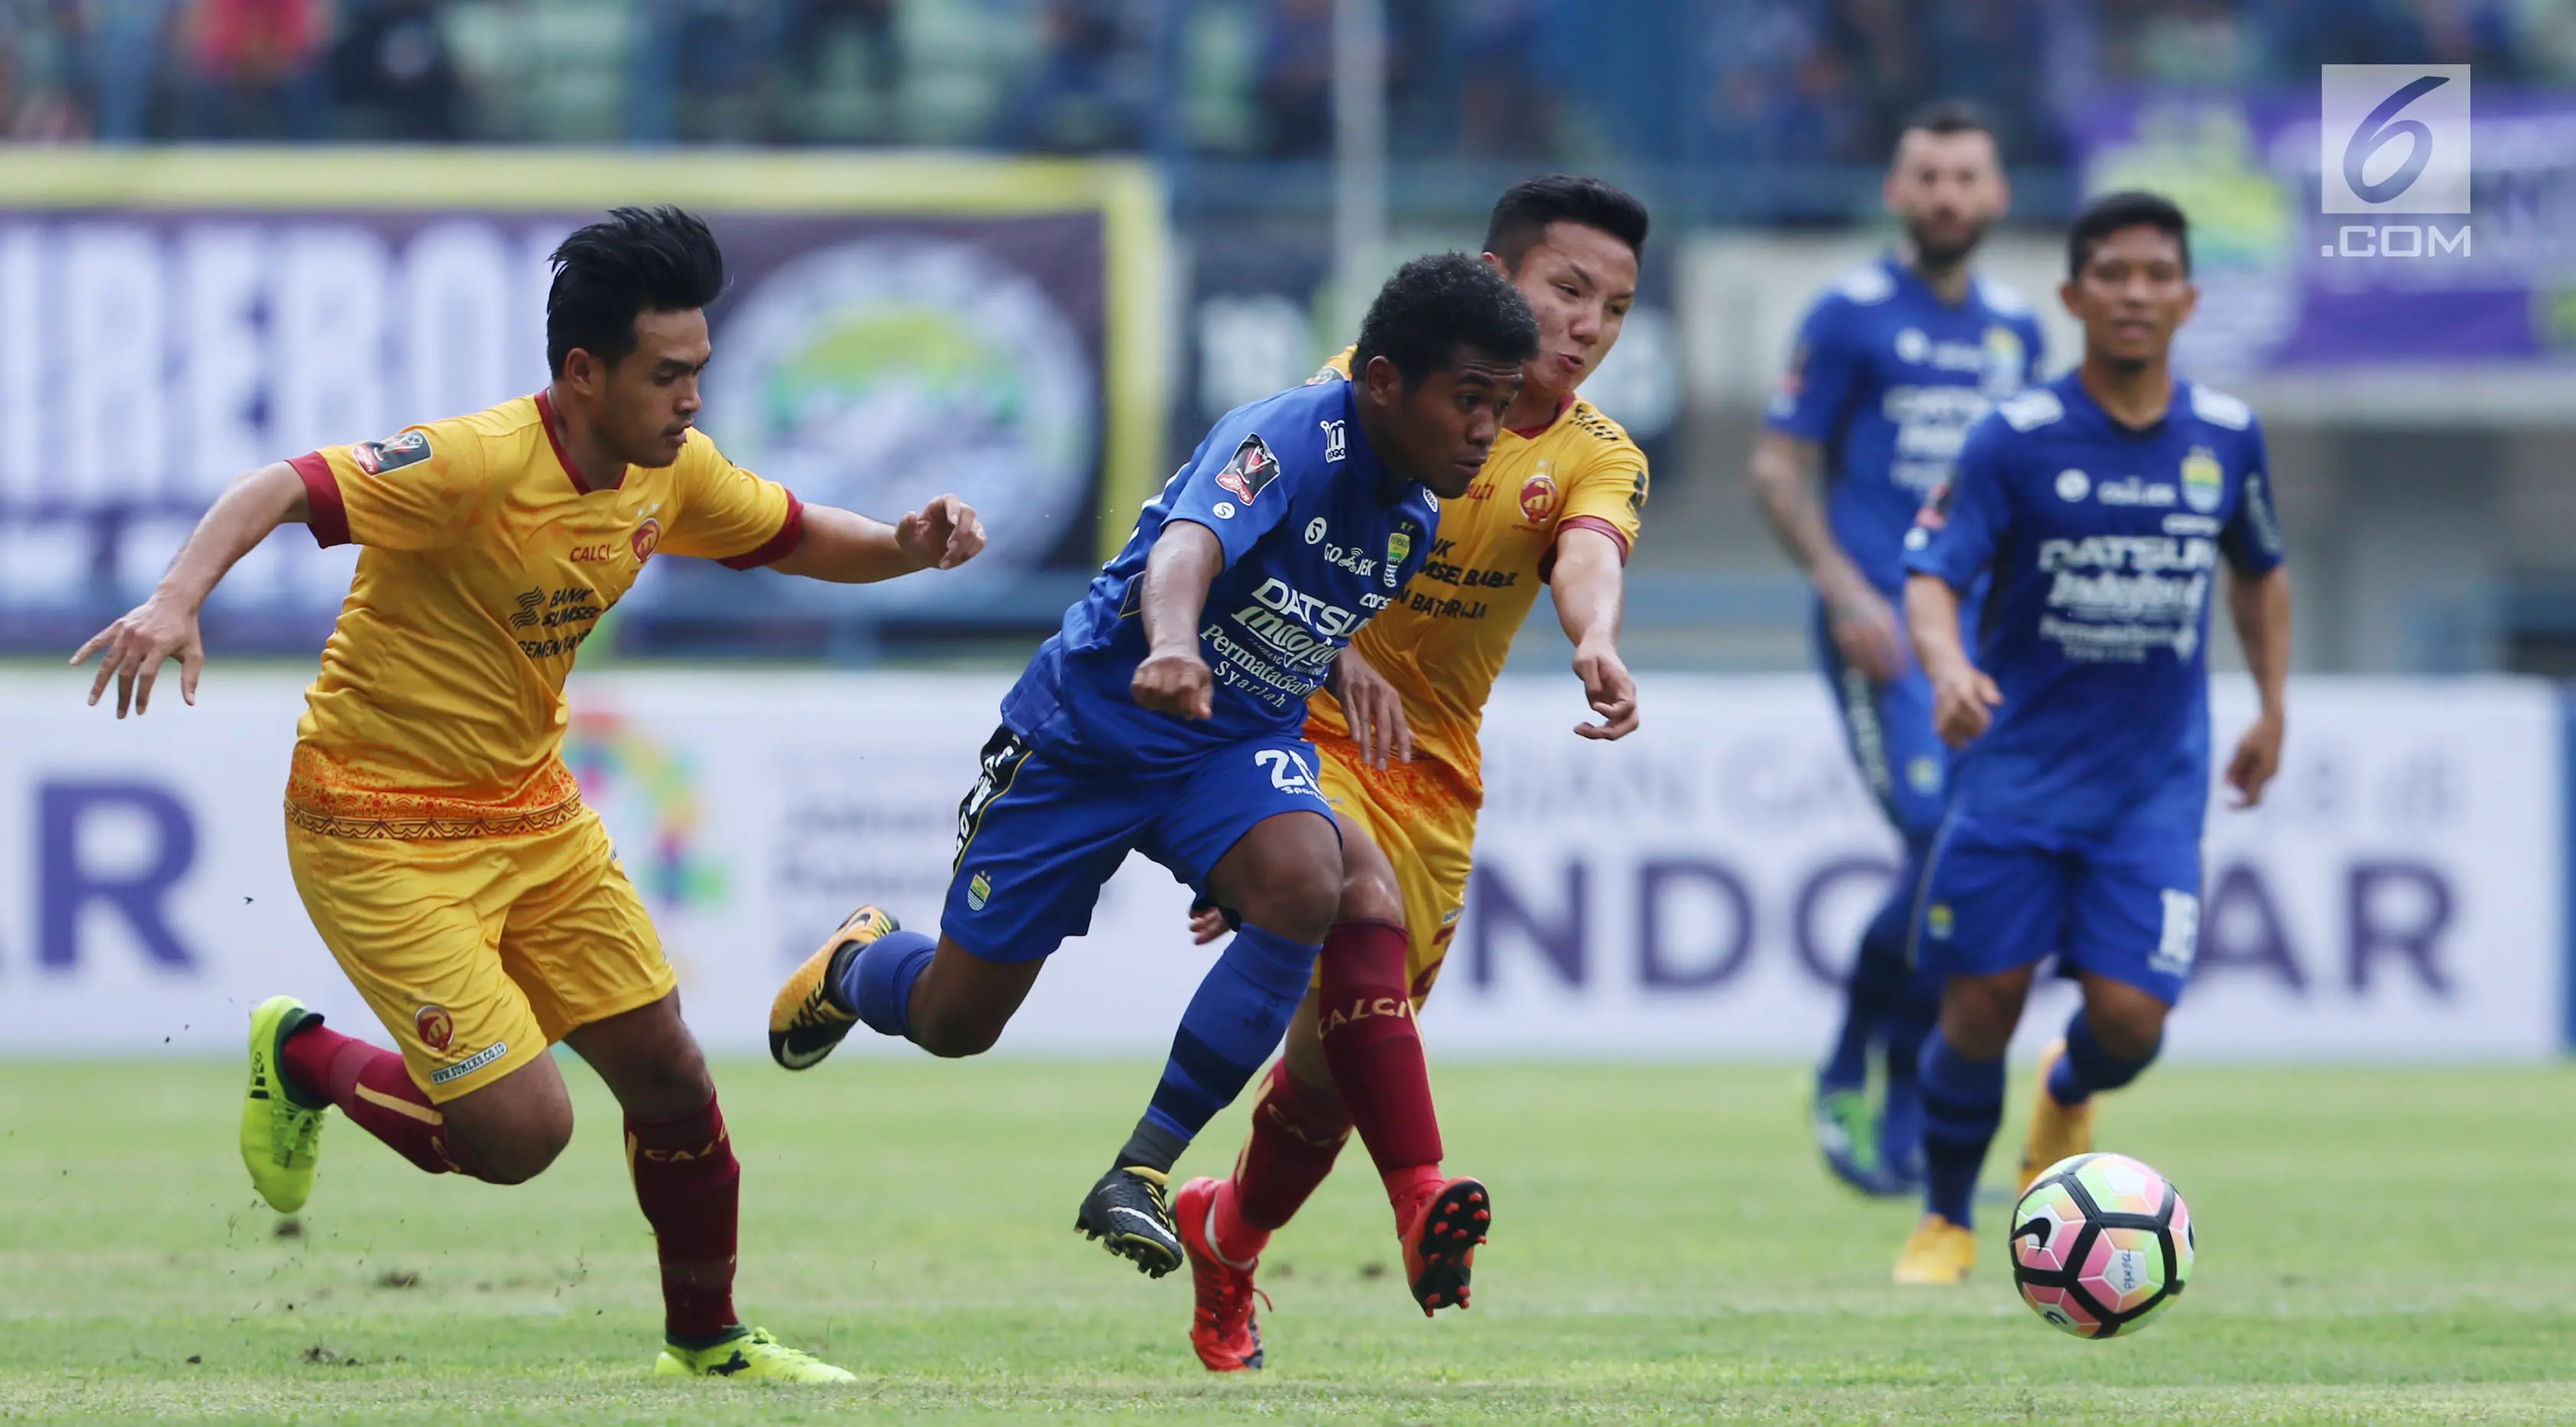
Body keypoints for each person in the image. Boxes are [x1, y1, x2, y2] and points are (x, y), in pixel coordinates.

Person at [73, 206, 986, 1381]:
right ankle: (301, 1057)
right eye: (668, 376)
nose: (693, 399)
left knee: (669, 1070)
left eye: (701, 372)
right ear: (581, 372)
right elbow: (279, 488)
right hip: (374, 823)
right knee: (519, 1137)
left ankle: (708, 1343)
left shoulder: (670, 474)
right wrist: (176, 600)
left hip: (530, 811)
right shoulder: (471, 464)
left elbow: (805, 536)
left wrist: (910, 546)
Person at [762, 253, 1541, 1278]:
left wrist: (1338, 672)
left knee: (1320, 881)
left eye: (1501, 406)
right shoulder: (1289, 437)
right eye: (1470, 400)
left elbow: (1292, 594)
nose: (1487, 430)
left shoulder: (1412, 516)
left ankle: (1143, 1171)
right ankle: (857, 962)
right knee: (957, 1022)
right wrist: (1171, 644)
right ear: (1387, 380)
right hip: (1087, 736)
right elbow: (1188, 550)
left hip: (1225, 743)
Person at [1161, 175, 1652, 1371]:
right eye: (1568, 291)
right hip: (1295, 721)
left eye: (1617, 308)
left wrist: (1594, 634)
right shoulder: (1363, 390)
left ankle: (1224, 1241)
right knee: (1345, 896)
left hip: (1434, 774)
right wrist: (1326, 652)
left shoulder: (1598, 453)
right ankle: (1422, 1190)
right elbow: (1241, 532)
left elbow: (1587, 550)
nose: (1588, 326)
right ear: (1497, 282)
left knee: (1330, 1078)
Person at [1890, 190, 2290, 1284]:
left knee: (2133, 1020)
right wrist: (1948, 666)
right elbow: (1930, 574)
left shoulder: (2226, 434)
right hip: (2016, 776)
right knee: (1981, 1001)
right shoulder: (2012, 438)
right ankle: (1946, 1220)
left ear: (2189, 297)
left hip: (2150, 788)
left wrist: (2271, 705)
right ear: (2074, 295)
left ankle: (2070, 1089)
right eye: (2112, 273)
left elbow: (2259, 572)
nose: (2136, 294)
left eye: (2158, 274)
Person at [1749, 99, 2045, 1197]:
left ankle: (1902, 1076)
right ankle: (1857, 1062)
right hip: (1882, 631)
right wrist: (1842, 588)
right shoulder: (1849, 316)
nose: (1947, 196)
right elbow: (1779, 469)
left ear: (1999, 194)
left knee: (1974, 864)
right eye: (1928, 176)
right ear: (1895, 191)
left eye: (1966, 177)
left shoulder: (2020, 332)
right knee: (1934, 837)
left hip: (1988, 640)